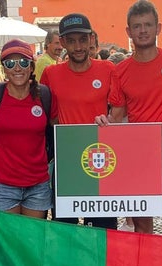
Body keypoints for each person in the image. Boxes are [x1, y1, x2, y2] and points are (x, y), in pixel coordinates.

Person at [96, 0, 162, 238]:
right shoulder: (121, 71)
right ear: (128, 31)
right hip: (138, 152)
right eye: (137, 26)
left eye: (148, 24)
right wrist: (104, 122)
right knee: (142, 228)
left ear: (158, 28)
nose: (143, 30)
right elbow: (117, 115)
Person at [40, 13, 117, 230]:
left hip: (101, 161)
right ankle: (68, 265)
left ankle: (103, 265)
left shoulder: (108, 70)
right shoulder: (50, 74)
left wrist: (109, 119)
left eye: (83, 40)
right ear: (62, 42)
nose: (78, 47)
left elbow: (120, 112)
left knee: (104, 229)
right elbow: (49, 116)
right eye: (71, 41)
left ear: (91, 39)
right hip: (67, 162)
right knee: (65, 228)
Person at [0, 39, 56, 219]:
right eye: (10, 63)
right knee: (8, 243)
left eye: (23, 62)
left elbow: (62, 123)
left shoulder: (44, 95)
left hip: (37, 183)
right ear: (4, 68)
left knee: (33, 241)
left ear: (31, 67)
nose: (17, 68)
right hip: (2, 184)